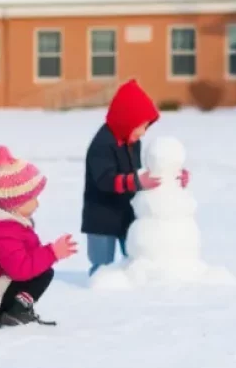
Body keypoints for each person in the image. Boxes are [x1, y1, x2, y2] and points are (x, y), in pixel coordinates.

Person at [0, 146, 77, 327]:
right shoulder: (4, 232)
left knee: (37, 267)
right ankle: (12, 313)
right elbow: (20, 269)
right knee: (43, 273)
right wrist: (52, 253)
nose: (37, 203)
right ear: (15, 203)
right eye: (32, 198)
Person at [81, 78, 189, 275]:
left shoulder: (132, 142)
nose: (143, 132)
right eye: (141, 126)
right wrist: (136, 181)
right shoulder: (102, 145)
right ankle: (97, 293)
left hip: (125, 213)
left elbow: (141, 171)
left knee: (132, 259)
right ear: (126, 120)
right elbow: (105, 180)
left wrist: (171, 173)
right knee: (101, 264)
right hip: (101, 216)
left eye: (146, 127)